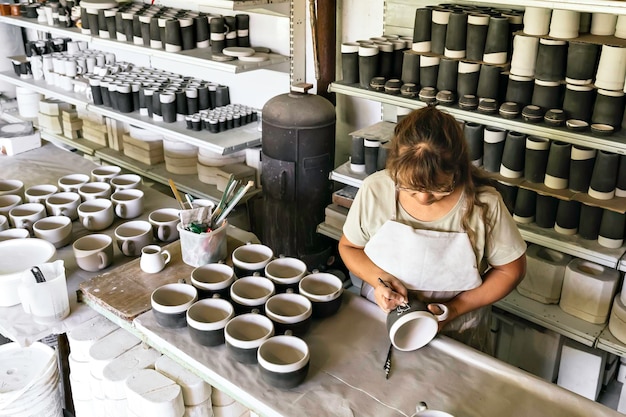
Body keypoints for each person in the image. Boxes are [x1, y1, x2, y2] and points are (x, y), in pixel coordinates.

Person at [338, 106, 527, 353]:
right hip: (383, 318)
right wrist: (380, 281)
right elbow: (349, 247)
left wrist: (456, 308)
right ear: (395, 166)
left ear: (456, 169)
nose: (424, 198)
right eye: (410, 187)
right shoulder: (376, 190)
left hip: (457, 329)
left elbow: (511, 270)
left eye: (439, 187)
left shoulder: (483, 204)